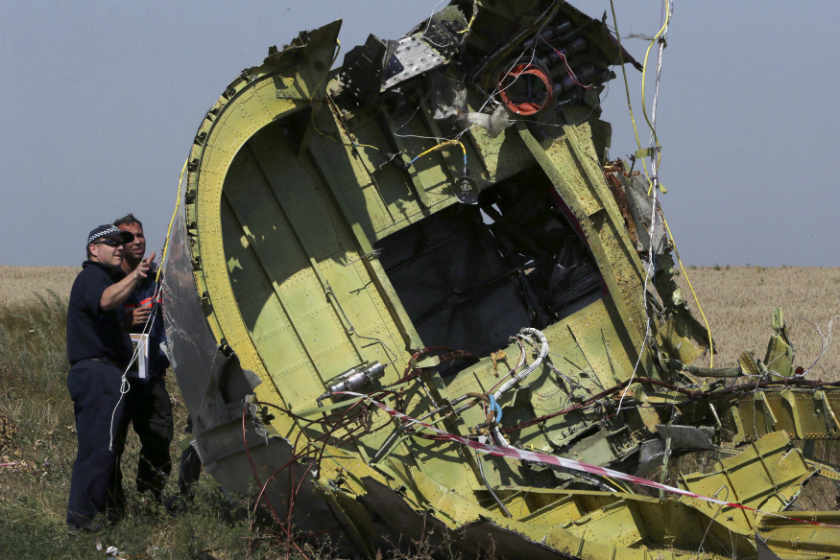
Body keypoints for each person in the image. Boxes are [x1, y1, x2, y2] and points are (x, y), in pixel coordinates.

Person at [66, 224, 153, 531]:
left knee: (104, 448)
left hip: (105, 374)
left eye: (121, 242)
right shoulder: (92, 276)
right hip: (97, 374)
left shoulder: (106, 279)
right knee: (98, 450)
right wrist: (137, 275)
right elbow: (105, 300)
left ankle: (103, 514)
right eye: (111, 242)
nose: (119, 247)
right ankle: (81, 521)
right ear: (94, 249)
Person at [114, 214, 174, 503]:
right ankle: (112, 503)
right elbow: (93, 319)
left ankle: (150, 498)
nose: (137, 241)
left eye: (140, 235)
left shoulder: (155, 279)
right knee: (112, 442)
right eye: (129, 237)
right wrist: (125, 321)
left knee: (160, 437)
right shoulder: (110, 280)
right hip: (119, 376)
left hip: (150, 375)